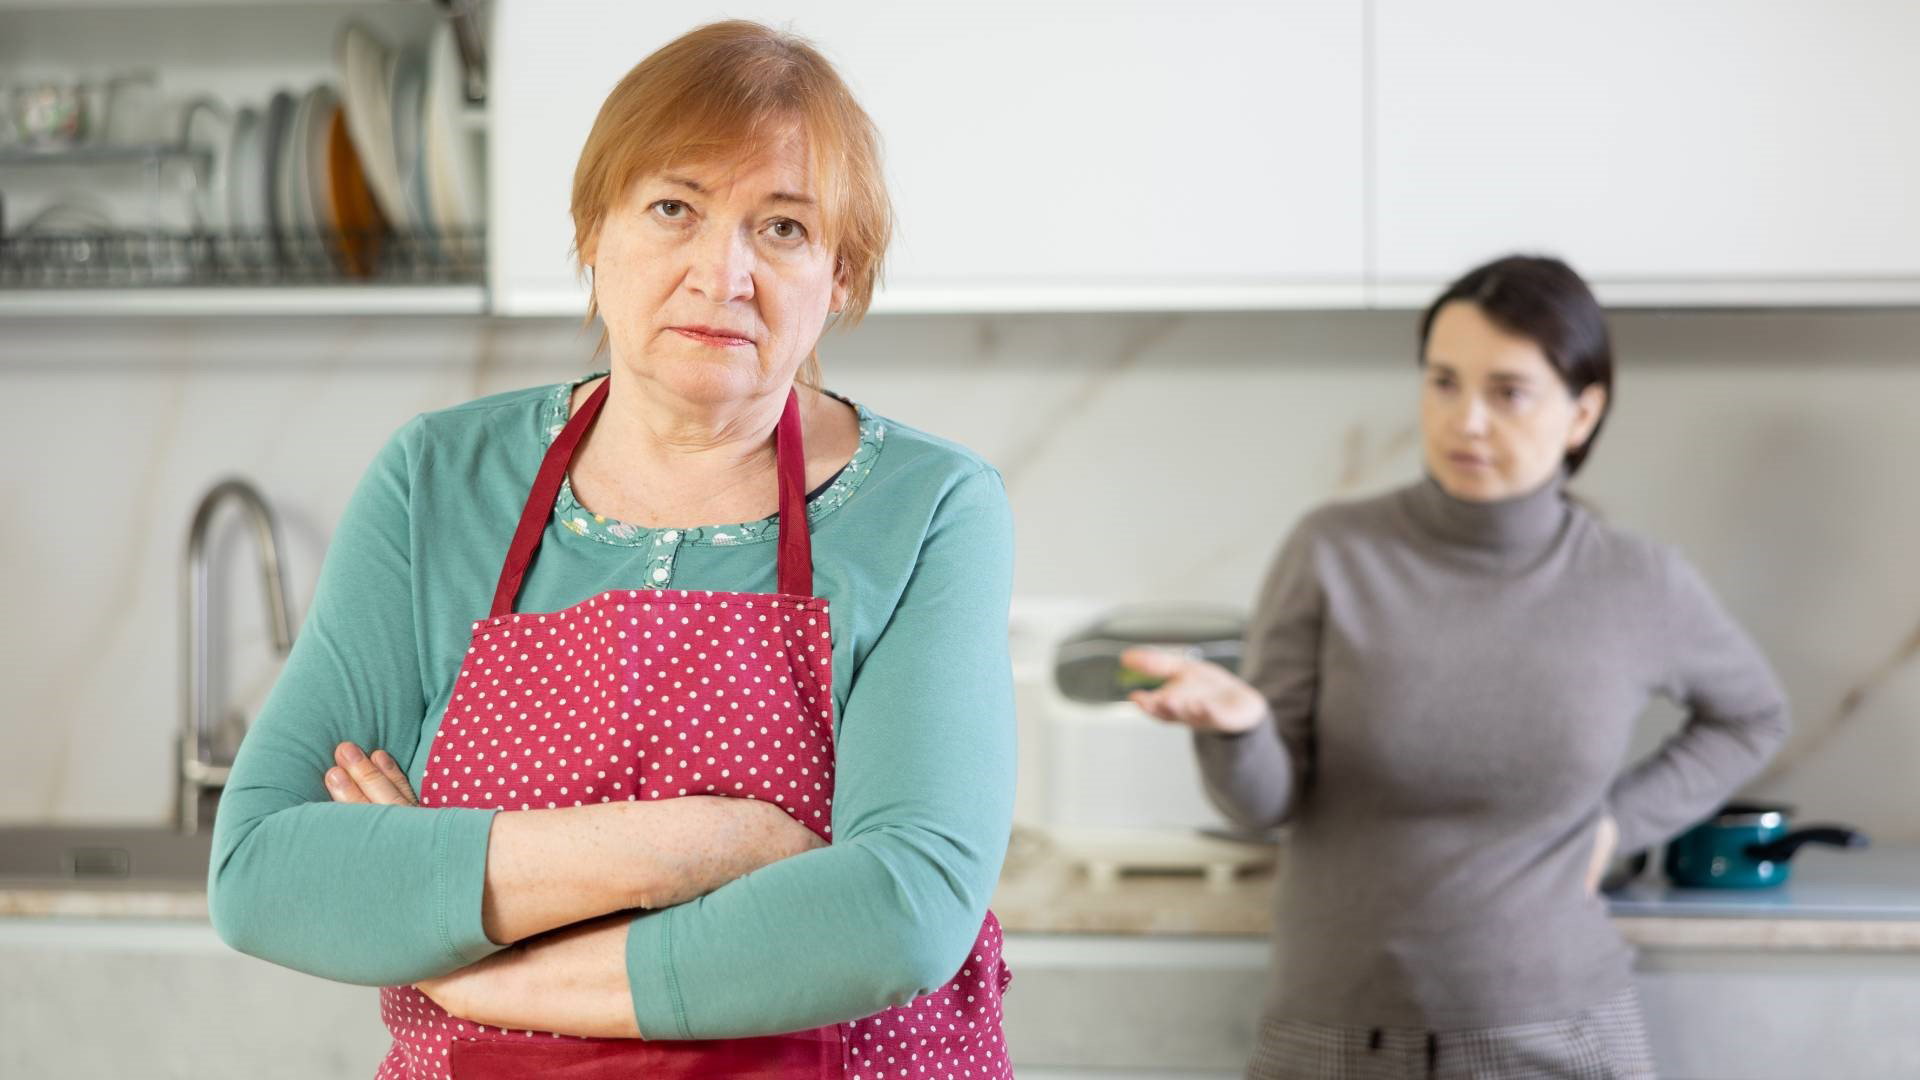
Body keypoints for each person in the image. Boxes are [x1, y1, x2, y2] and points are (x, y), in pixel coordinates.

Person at [209, 21, 1016, 1079]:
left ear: (839, 276)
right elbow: (266, 868)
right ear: (596, 232)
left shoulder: (930, 507)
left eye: (781, 227)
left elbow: (903, 910)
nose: (721, 273)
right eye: (674, 207)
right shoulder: (440, 482)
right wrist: (710, 844)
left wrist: (470, 957)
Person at [1125, 255, 1790, 1079]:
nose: (1466, 420)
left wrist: (1620, 823)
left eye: (1507, 392)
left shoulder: (1637, 579)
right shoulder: (1334, 550)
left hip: (1556, 1037)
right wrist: (1240, 726)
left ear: (1582, 413)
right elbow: (1266, 805)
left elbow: (1753, 716)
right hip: (1331, 1039)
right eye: (1443, 382)